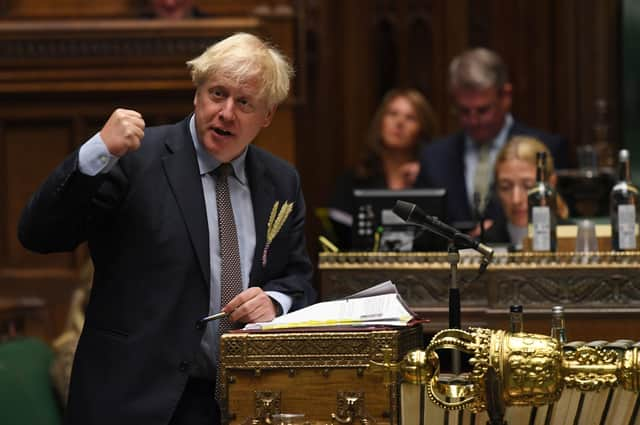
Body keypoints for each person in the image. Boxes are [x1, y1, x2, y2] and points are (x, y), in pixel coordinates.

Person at [18, 32, 315, 425]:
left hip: (239, 402)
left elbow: (298, 280)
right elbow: (39, 234)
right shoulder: (135, 159)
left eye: (244, 102)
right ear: (197, 94)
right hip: (134, 400)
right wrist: (96, 152)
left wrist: (276, 302)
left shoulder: (281, 181)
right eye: (217, 94)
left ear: (267, 115)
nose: (226, 113)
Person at [416, 47, 568, 228]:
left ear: (506, 96)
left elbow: (560, 216)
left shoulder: (545, 149)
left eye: (483, 110)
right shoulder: (434, 157)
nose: (473, 121)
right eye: (464, 111)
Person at [327, 88, 437, 249]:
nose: (400, 123)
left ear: (422, 129)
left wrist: (425, 176)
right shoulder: (355, 178)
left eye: (410, 118)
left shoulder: (432, 177)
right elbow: (341, 237)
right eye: (392, 114)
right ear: (380, 122)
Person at [485, 135, 569, 250]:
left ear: (551, 183)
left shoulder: (573, 238)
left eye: (528, 186)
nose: (516, 199)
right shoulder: (483, 243)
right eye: (505, 187)